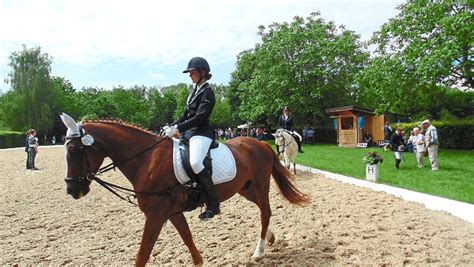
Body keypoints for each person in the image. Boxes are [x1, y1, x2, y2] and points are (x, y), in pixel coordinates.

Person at [163, 56, 220, 220]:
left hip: (202, 133)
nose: (190, 75)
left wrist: (178, 128)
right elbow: (184, 115)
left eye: (192, 72)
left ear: (202, 72)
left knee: (195, 162)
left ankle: (214, 205)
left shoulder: (208, 92)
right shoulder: (194, 92)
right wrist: (171, 126)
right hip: (189, 133)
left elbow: (200, 117)